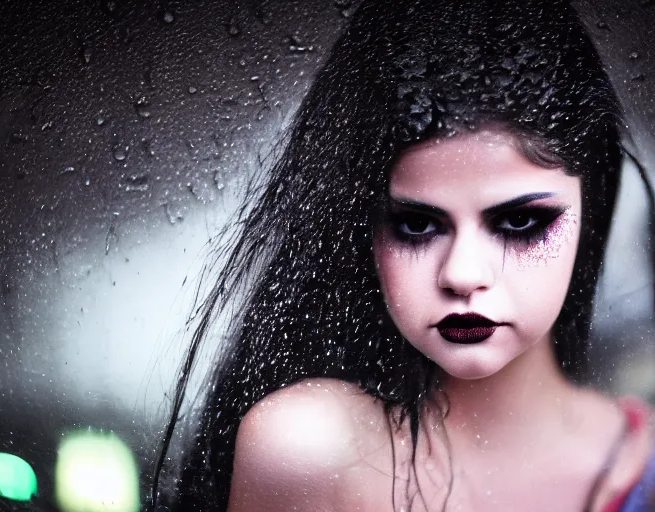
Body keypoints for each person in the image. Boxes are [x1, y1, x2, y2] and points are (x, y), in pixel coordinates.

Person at [151, 0, 655, 510]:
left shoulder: (644, 462)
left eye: (519, 222)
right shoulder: (309, 450)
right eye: (416, 225)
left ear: (588, 210)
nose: (462, 274)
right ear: (365, 228)